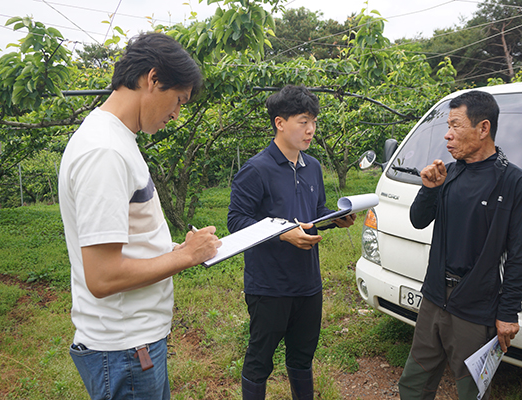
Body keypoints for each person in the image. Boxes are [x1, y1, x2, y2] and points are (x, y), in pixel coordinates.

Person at [58, 33, 221, 400]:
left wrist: (179, 248)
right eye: (178, 100)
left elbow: (126, 243)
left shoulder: (116, 140)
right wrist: (185, 256)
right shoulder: (105, 152)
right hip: (125, 349)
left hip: (133, 346)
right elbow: (102, 276)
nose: (177, 114)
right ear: (152, 79)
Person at [398, 90, 522, 400]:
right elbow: (418, 221)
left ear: (483, 128)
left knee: (472, 391)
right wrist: (429, 190)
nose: (447, 135)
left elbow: (519, 256)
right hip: (434, 296)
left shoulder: (515, 183)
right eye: (448, 125)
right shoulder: (450, 174)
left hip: (475, 307)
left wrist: (508, 313)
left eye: (456, 125)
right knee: (413, 383)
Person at [227, 84, 356, 400]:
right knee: (260, 360)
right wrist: (282, 232)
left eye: (313, 121)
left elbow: (316, 212)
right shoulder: (256, 170)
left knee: (302, 357)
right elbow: (236, 221)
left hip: (308, 283)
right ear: (280, 123)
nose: (310, 129)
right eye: (303, 121)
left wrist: (336, 218)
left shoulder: (312, 166)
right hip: (269, 287)